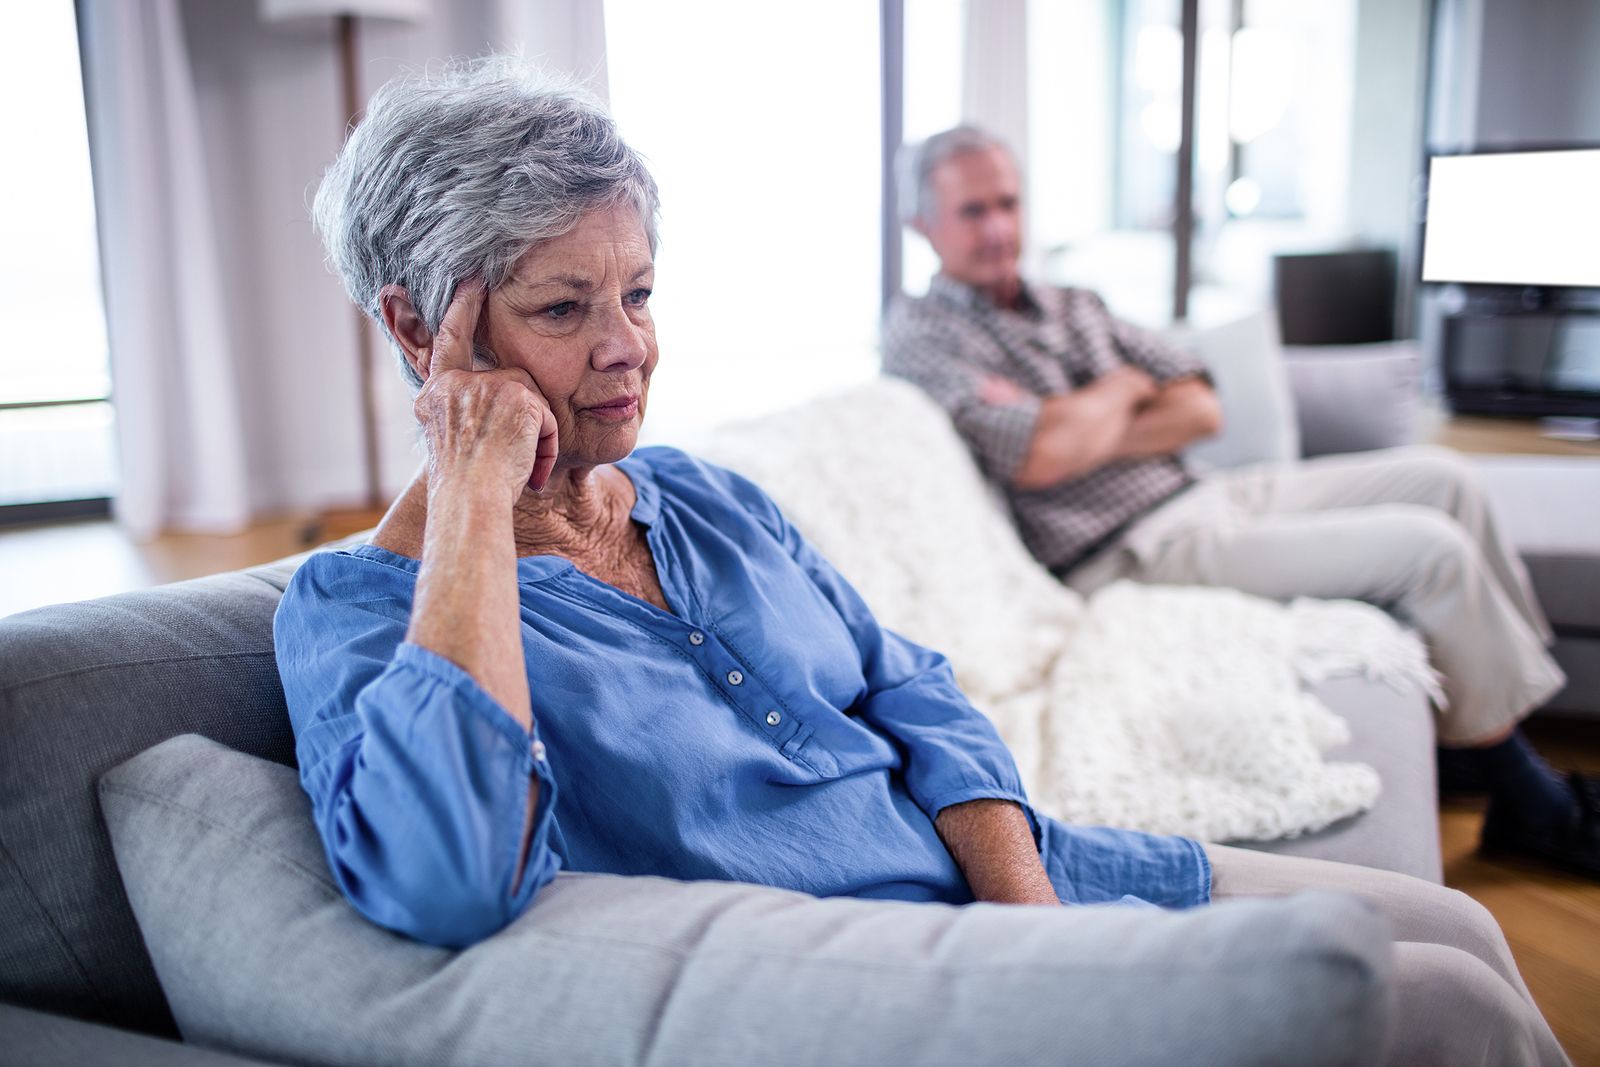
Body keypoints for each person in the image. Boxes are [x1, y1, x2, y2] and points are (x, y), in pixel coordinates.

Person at [275, 60, 1568, 1064]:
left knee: (1460, 924)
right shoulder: (356, 607)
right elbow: (446, 874)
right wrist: (470, 491)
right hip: (882, 971)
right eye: (565, 307)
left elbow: (915, 686)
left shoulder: (700, 496)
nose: (629, 348)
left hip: (1014, 881)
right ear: (418, 324)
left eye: (642, 293)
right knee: (1446, 1001)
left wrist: (1029, 909)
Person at [882, 125, 1599, 880]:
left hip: (1207, 491)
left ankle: (1479, 736)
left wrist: (1084, 407)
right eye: (972, 211)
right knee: (1432, 552)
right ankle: (1528, 797)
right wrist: (1124, 392)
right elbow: (1041, 456)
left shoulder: (1072, 300)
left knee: (1446, 477)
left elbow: (1201, 405)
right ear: (922, 224)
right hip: (1131, 547)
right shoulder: (924, 333)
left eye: (1008, 203)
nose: (998, 228)